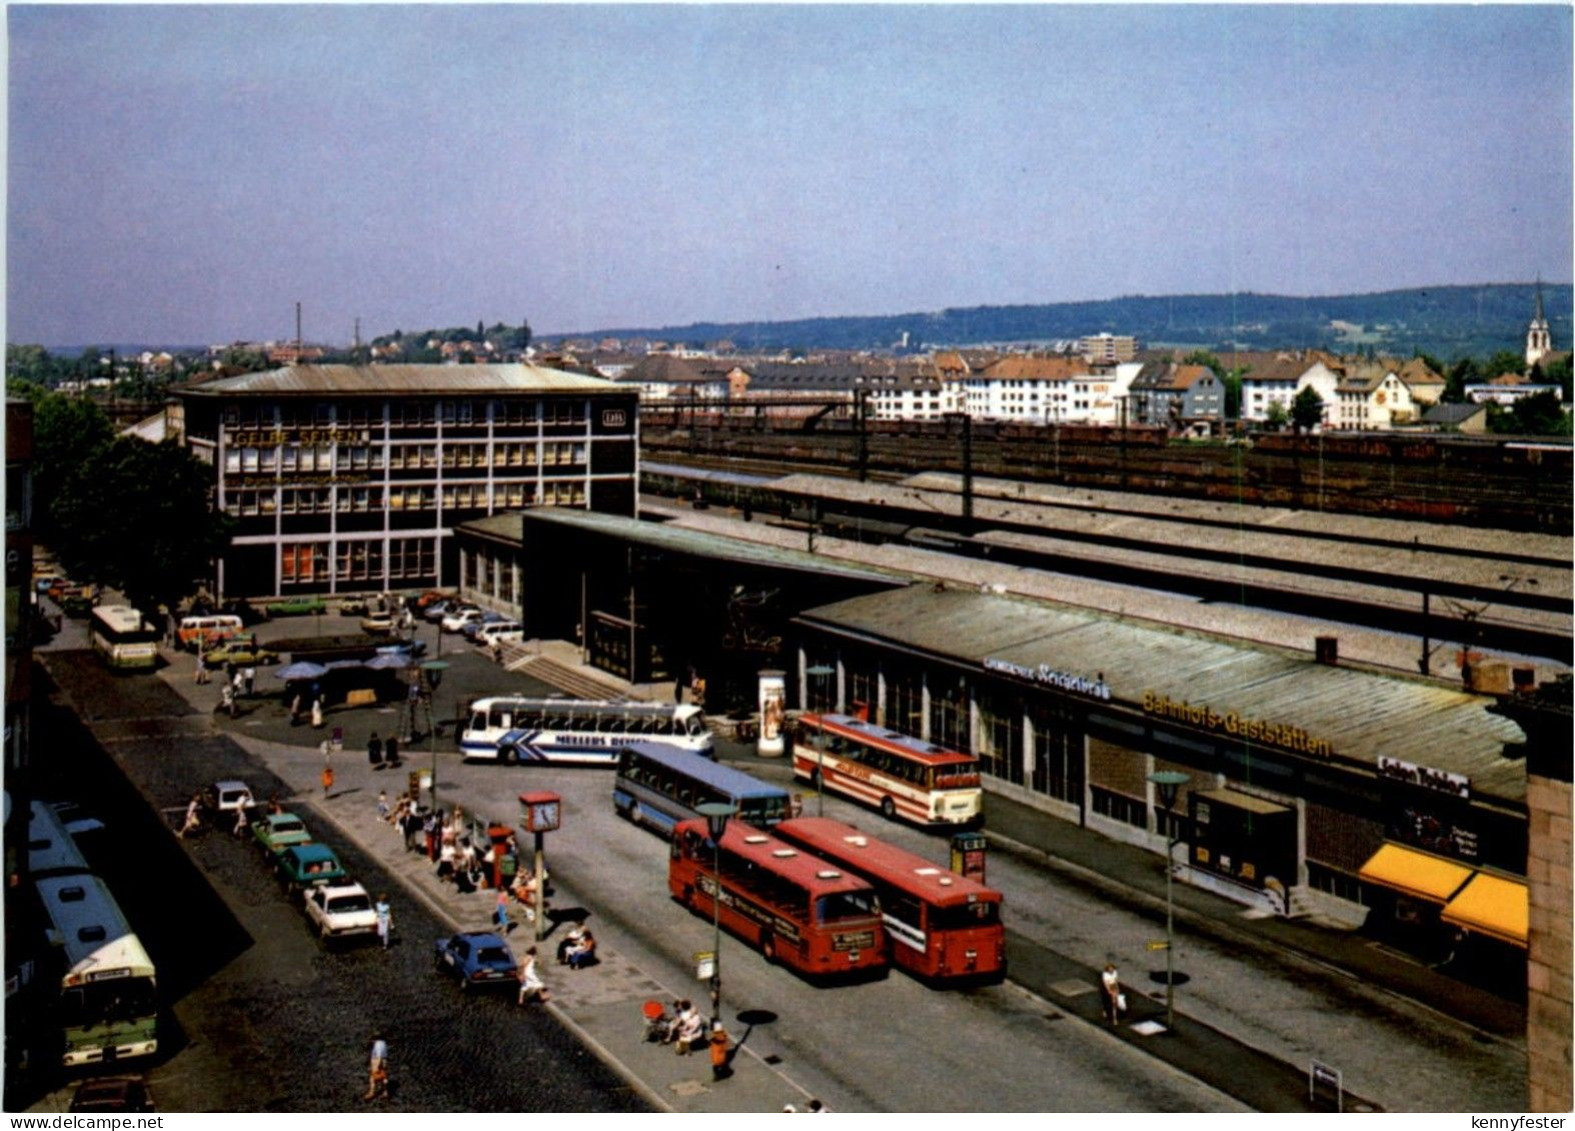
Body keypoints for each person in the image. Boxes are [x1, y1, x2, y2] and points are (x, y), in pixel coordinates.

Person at [364, 1033, 389, 1101]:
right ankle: (385, 1092)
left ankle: (371, 1093)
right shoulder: (384, 1043)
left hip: (377, 1061)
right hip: (384, 1061)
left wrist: (377, 1066)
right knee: (383, 1077)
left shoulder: (378, 1044)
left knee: (373, 1078)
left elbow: (379, 1055)